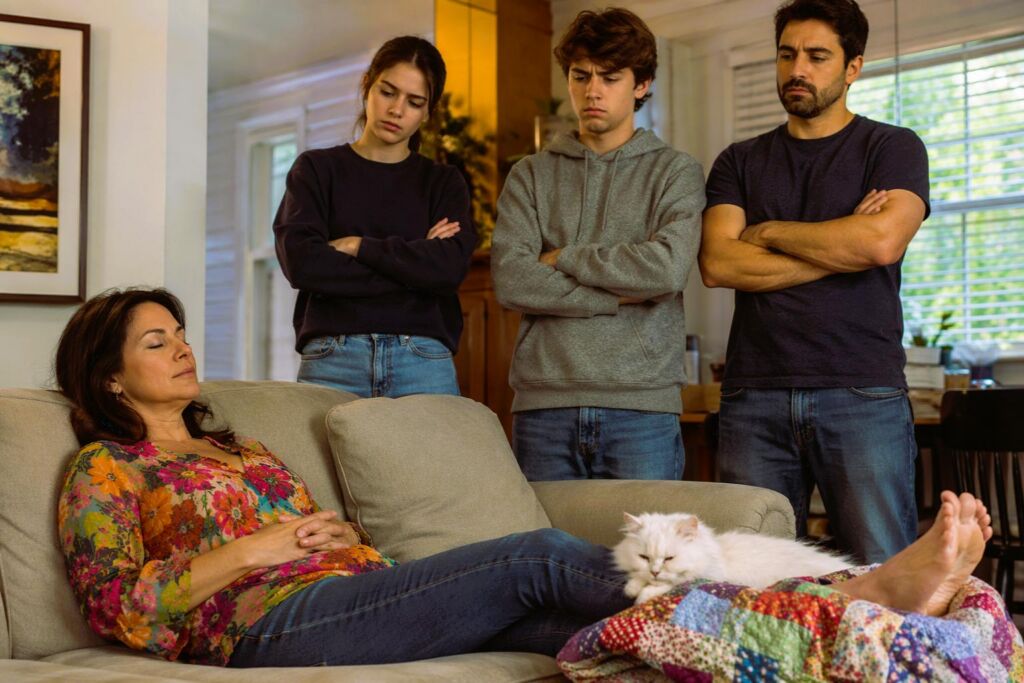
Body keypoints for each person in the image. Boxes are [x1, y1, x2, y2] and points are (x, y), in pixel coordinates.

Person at [54, 287, 995, 669]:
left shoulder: (242, 449)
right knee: (535, 557)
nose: (182, 348)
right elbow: (119, 606)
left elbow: (318, 531)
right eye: (156, 341)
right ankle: (852, 593)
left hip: (348, 591)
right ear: (109, 375)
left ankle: (836, 644)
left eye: (180, 333)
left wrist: (333, 534)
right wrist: (257, 548)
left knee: (603, 637)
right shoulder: (107, 468)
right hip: (260, 628)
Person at [698, 0, 930, 564]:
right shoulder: (738, 161)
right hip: (754, 395)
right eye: (787, 54)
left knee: (880, 571)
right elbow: (718, 264)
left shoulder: (892, 147)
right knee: (755, 576)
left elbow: (881, 243)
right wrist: (842, 244)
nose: (797, 69)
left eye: (817, 56)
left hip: (861, 391)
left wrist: (767, 231)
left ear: (853, 67)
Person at [490, 8, 705, 482]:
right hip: (544, 405)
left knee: (645, 537)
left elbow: (666, 270)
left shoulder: (675, 171)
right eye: (580, 75)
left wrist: (565, 257)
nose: (592, 90)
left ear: (642, 85)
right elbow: (512, 280)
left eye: (610, 77)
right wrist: (619, 294)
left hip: (642, 406)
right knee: (545, 535)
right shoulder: (530, 174)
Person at [274, 36, 476, 398]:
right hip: (333, 358)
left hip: (422, 359)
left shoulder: (443, 182)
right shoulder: (316, 170)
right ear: (367, 85)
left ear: (428, 113)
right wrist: (414, 267)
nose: (397, 110)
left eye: (414, 102)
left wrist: (358, 247)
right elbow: (302, 264)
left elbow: (447, 269)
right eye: (388, 92)